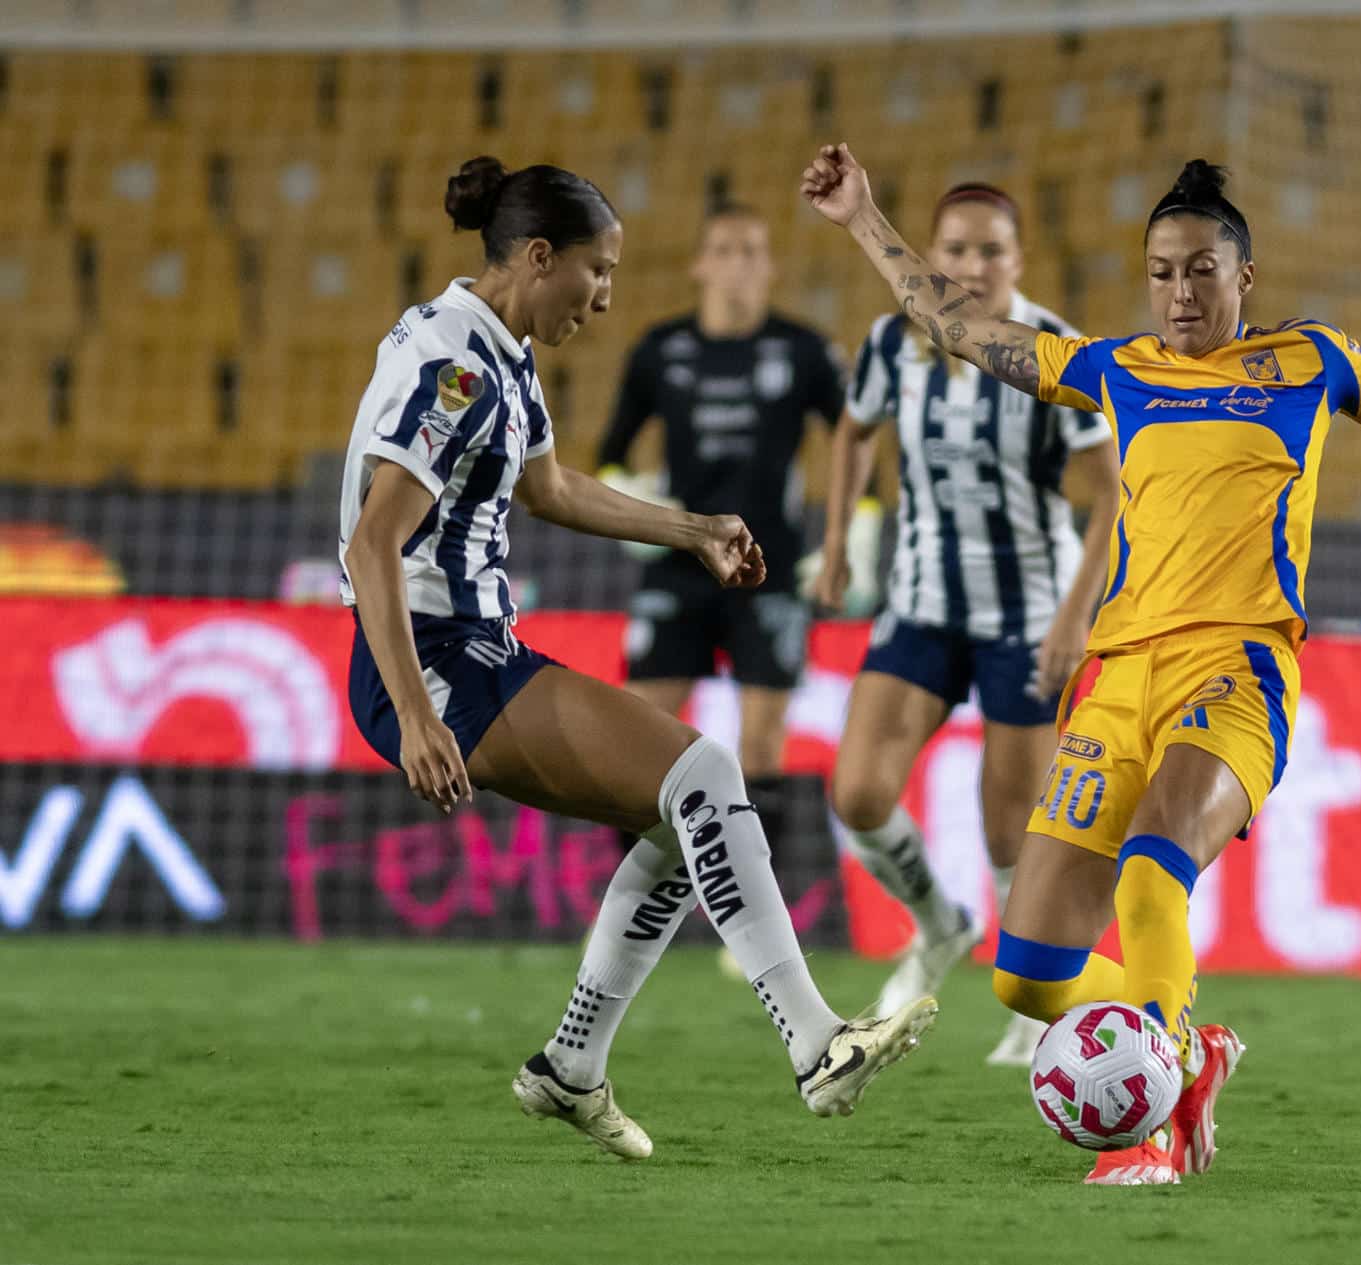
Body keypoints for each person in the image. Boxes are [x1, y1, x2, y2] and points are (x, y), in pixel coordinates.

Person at [801, 145, 1361, 1185]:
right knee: (1029, 977)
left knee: (1150, 874)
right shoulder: (1115, 369)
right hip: (1118, 677)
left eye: (1200, 270)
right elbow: (960, 326)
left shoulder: (1311, 360)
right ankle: (1194, 1039)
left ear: (1244, 278)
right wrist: (865, 216)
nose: (1180, 291)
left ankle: (1159, 1126)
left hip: (1237, 670)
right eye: (1162, 272)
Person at [339, 156, 935, 1162]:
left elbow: (552, 488)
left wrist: (693, 527)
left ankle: (572, 1068)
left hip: (475, 648)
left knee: (679, 811)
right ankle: (818, 1042)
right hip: (434, 657)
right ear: (537, 257)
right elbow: (370, 543)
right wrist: (417, 711)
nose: (607, 296)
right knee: (703, 773)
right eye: (597, 271)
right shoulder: (458, 367)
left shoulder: (499, 350)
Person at [809, 183, 1120, 1068]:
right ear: (930, 255)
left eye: (990, 250)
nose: (970, 266)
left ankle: (1035, 997)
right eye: (954, 248)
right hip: (921, 603)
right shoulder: (888, 341)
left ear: (1018, 262)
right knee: (858, 792)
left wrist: (1074, 614)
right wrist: (838, 542)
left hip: (1025, 613)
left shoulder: (1054, 349)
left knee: (1008, 828)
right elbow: (852, 432)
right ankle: (940, 921)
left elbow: (1113, 494)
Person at [596, 203, 844, 783]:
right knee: (641, 738)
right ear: (699, 266)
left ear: (770, 267)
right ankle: (657, 876)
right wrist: (630, 502)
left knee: (760, 750)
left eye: (752, 251)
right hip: (680, 565)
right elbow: (610, 451)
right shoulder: (659, 349)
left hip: (768, 568)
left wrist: (851, 529)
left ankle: (756, 875)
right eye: (725, 250)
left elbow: (856, 440)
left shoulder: (806, 351)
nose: (738, 264)